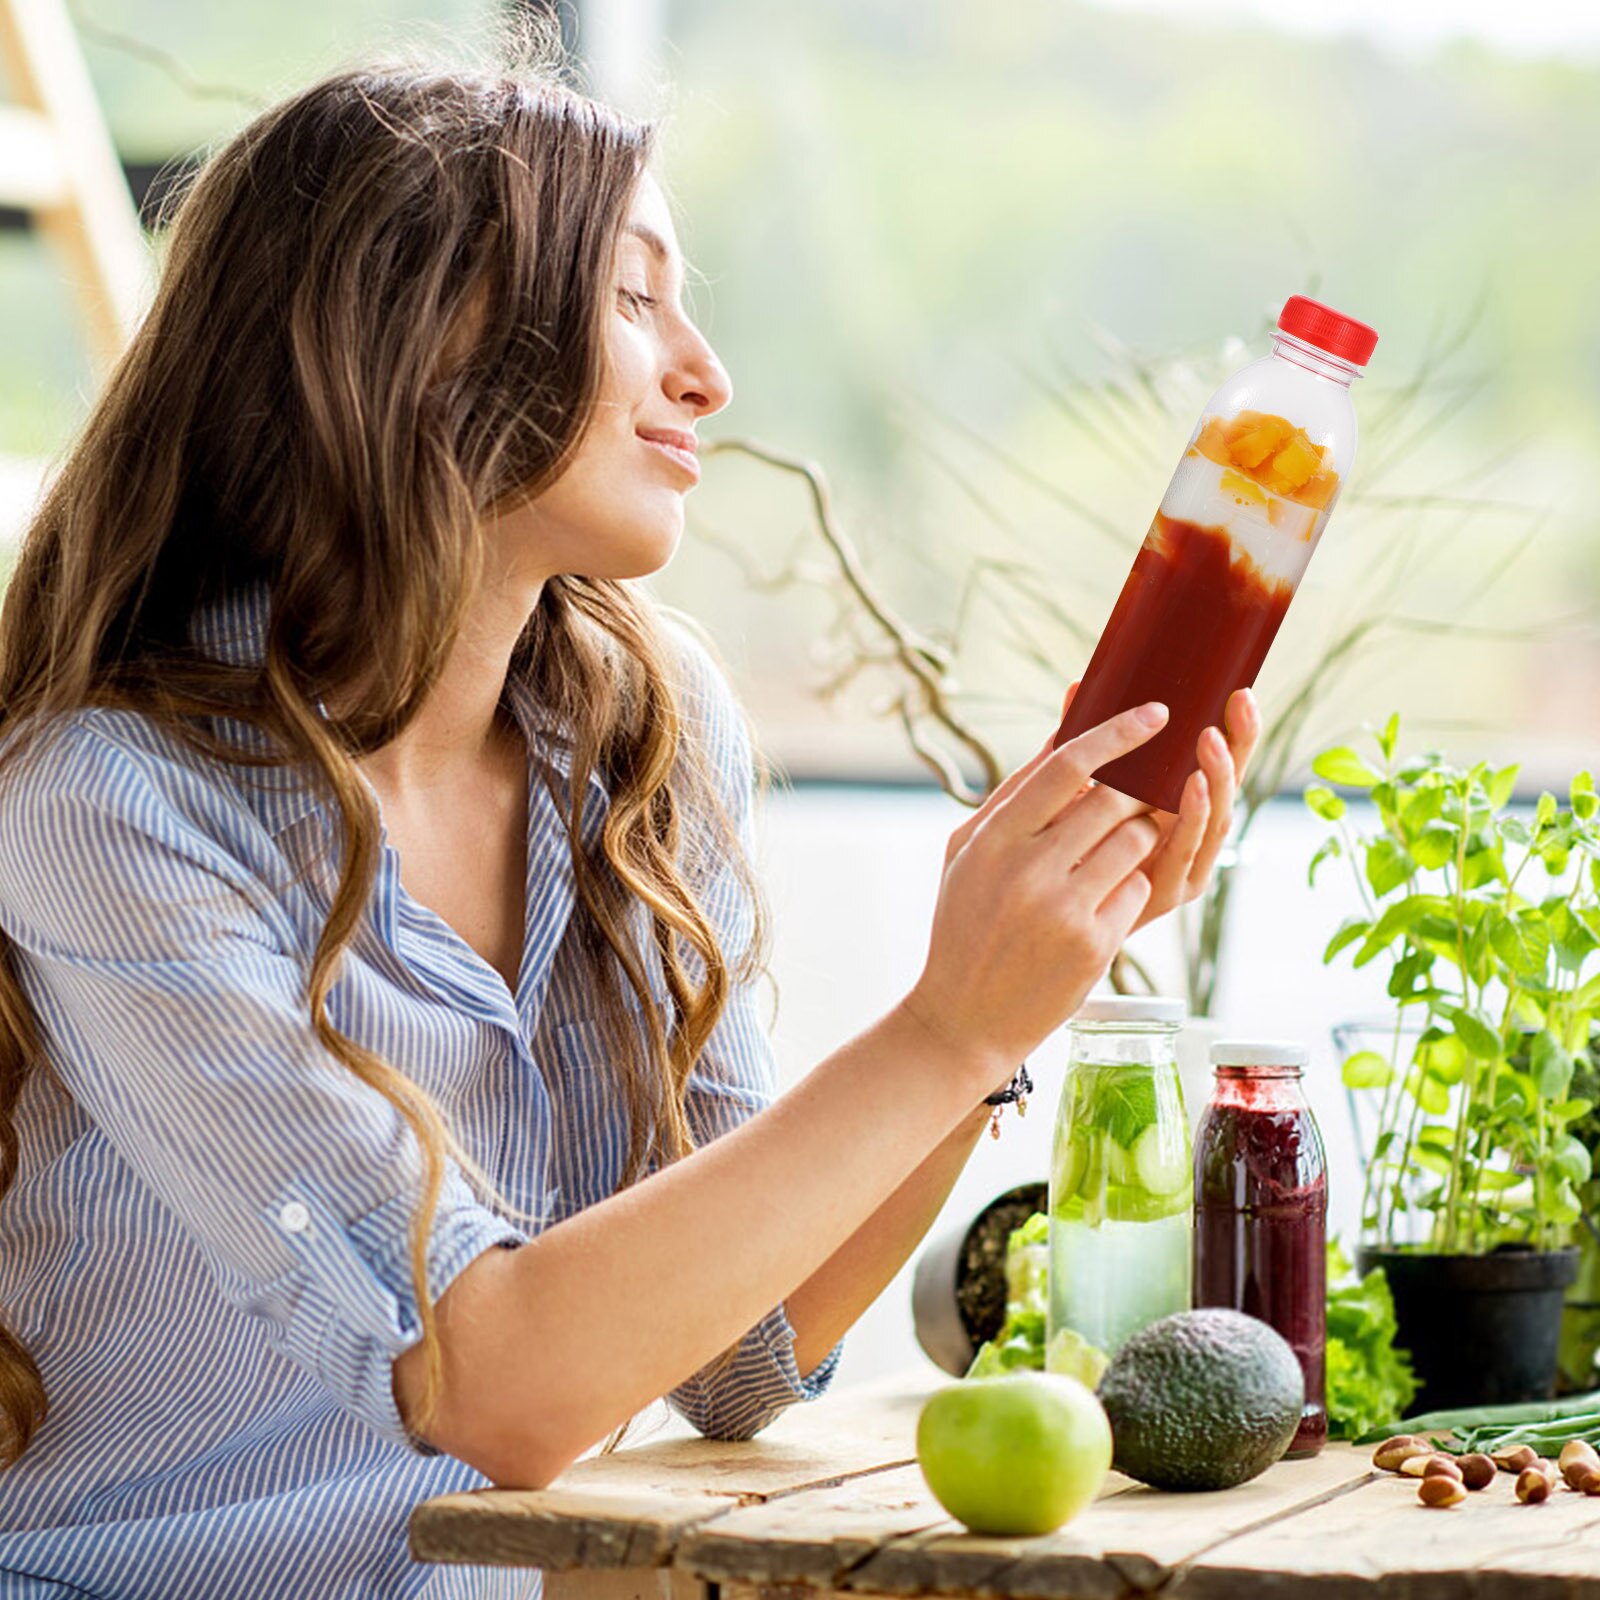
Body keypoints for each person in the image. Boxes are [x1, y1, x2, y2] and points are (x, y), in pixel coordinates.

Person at [0, 40, 1258, 1600]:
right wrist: (939, 1027)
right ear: (427, 340)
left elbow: (743, 1356)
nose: (706, 374)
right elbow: (494, 1389)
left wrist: (1005, 1008)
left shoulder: (639, 731)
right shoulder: (110, 805)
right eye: (634, 296)